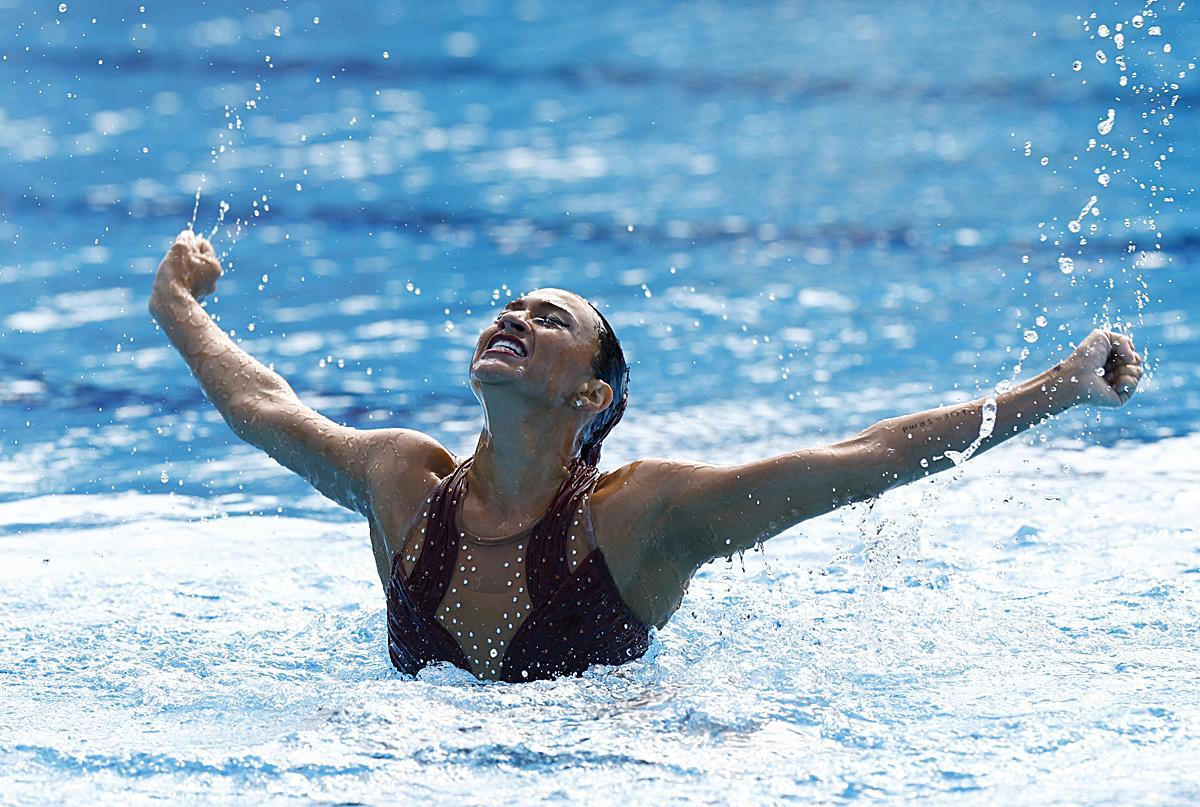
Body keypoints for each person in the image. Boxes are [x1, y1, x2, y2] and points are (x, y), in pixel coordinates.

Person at [149, 230, 1145, 682]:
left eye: (550, 319)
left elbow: (866, 455)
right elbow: (262, 407)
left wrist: (1059, 385)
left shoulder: (640, 517)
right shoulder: (403, 481)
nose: (514, 317)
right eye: (511, 307)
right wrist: (180, 306)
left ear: (591, 397)